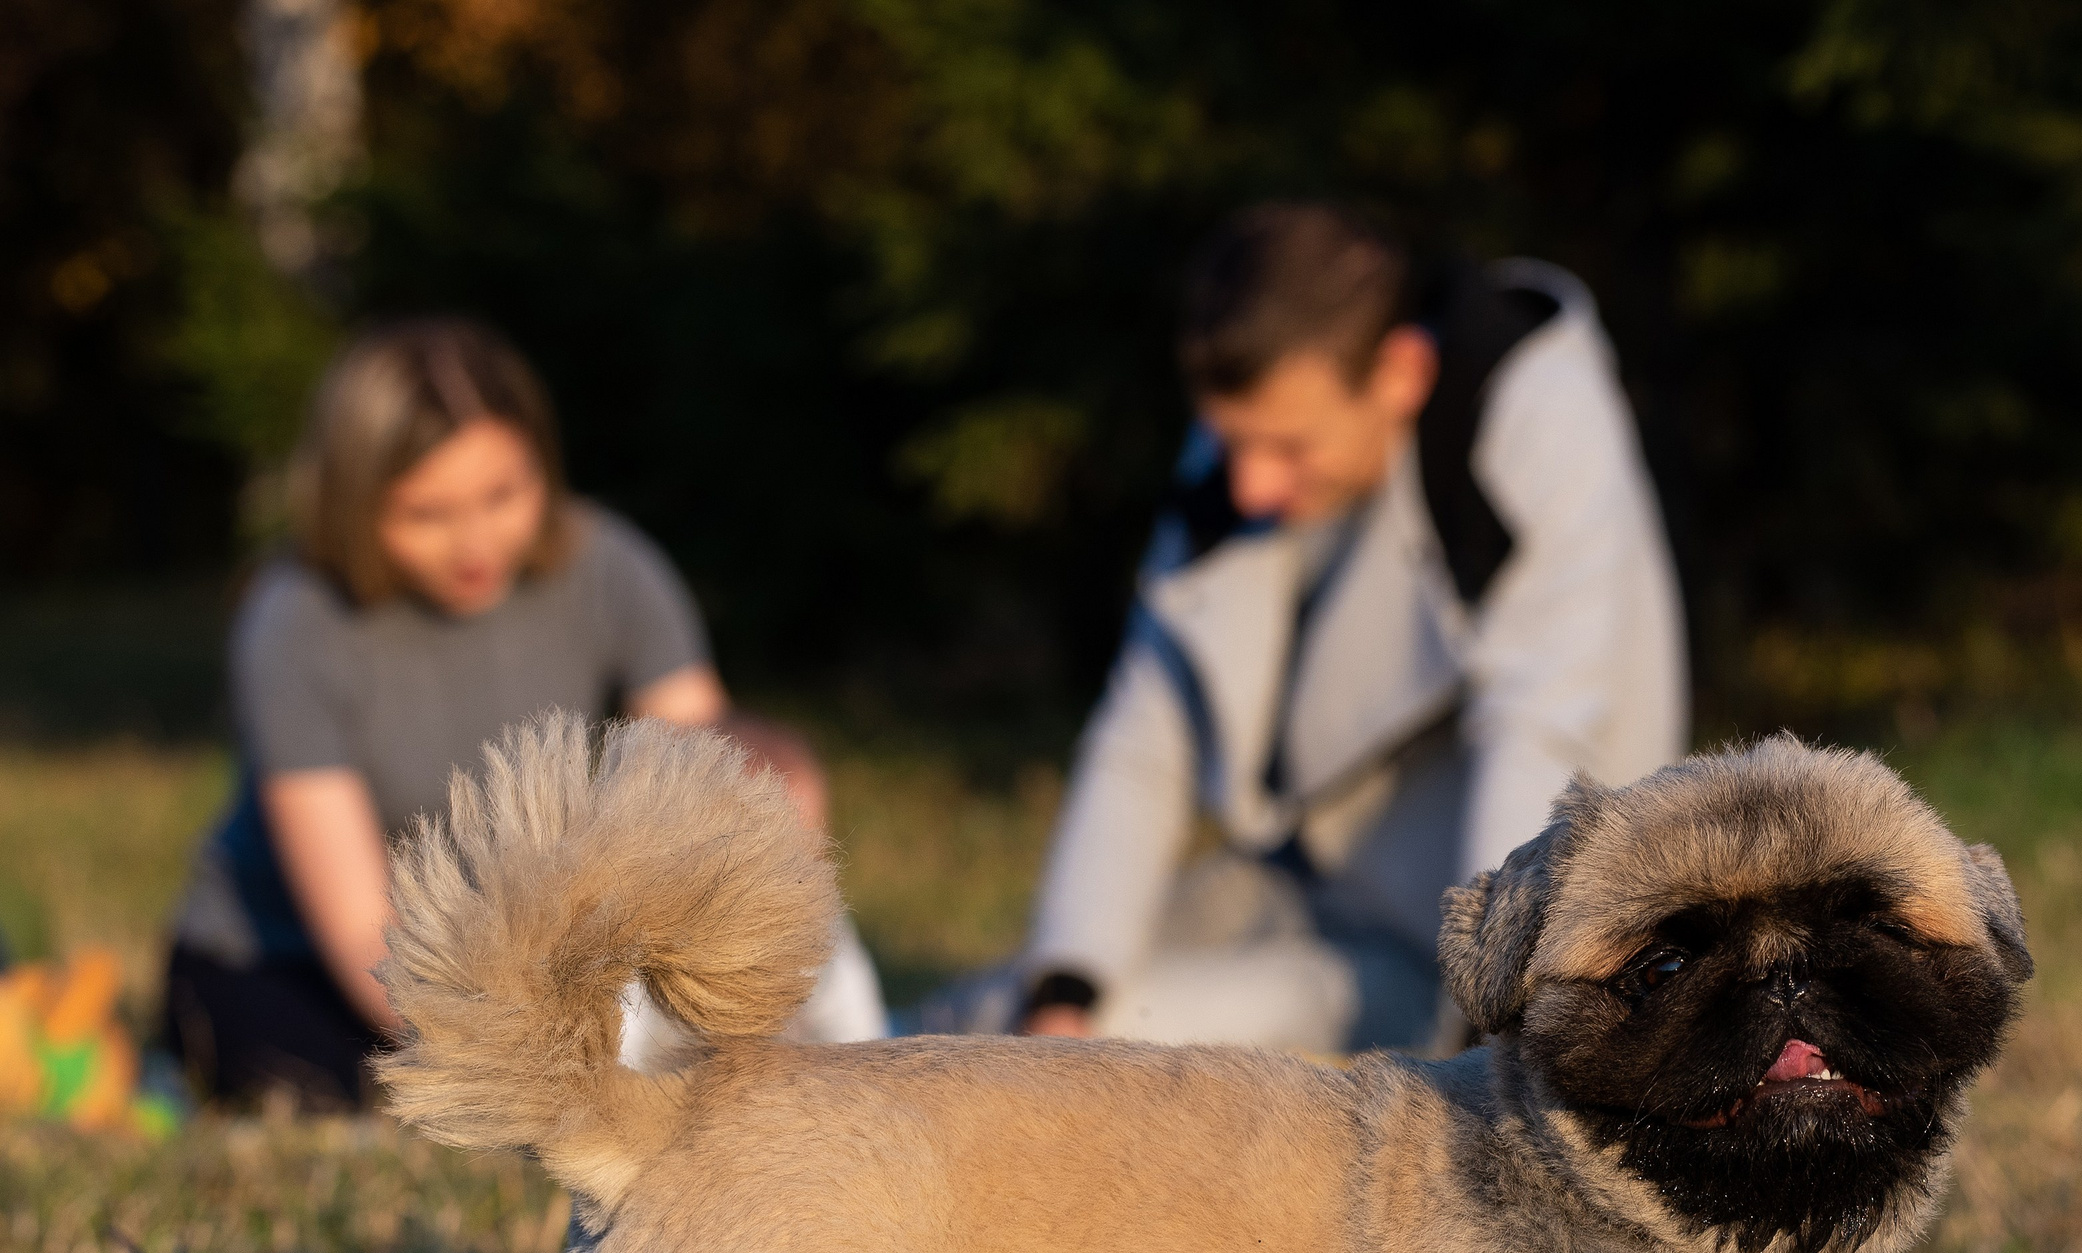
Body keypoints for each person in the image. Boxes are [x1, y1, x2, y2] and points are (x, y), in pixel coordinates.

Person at [977, 202, 1686, 1052]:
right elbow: (1144, 738)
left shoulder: (1538, 421)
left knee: (1128, 1048)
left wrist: (1491, 1024)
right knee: (995, 1024)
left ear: (1401, 375)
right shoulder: (1253, 437)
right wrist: (1065, 986)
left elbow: (1537, 735)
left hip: (1459, 952)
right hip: (1295, 882)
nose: (1248, 487)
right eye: (1232, 444)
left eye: (1288, 448)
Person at [164, 317, 883, 1109]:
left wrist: (774, 793)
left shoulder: (608, 564)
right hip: (298, 965)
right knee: (366, 1101)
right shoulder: (295, 622)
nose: (475, 542)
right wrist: (524, 1057)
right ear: (352, 505)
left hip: (522, 954)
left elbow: (704, 748)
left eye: (503, 495)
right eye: (426, 513)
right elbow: (362, 934)